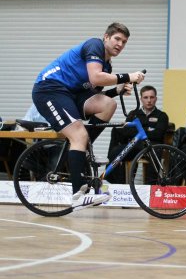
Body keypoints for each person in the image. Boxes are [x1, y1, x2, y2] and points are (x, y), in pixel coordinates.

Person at [32, 22, 146, 210]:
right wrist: (128, 76)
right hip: (49, 89)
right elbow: (95, 78)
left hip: (71, 95)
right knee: (79, 135)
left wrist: (116, 91)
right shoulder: (95, 45)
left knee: (108, 105)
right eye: (117, 39)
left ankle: (82, 150)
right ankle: (77, 194)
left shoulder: (107, 67)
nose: (120, 44)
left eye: (124, 42)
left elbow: (94, 97)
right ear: (106, 37)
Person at [106, 85, 169, 184]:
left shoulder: (162, 116)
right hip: (135, 145)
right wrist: (146, 130)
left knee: (155, 153)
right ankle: (119, 185)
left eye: (151, 97)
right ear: (141, 99)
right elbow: (127, 132)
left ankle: (149, 188)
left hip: (152, 146)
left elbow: (158, 134)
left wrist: (138, 130)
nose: (149, 100)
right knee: (114, 152)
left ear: (156, 99)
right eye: (146, 97)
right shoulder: (133, 114)